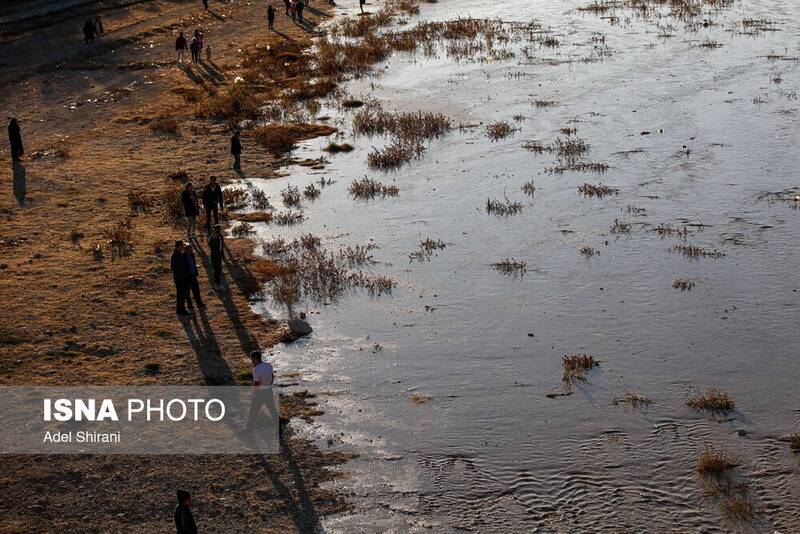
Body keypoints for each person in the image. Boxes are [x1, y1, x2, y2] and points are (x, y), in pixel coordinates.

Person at [246, 350, 278, 433]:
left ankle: (249, 429)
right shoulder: (269, 365)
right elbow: (272, 377)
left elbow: (257, 383)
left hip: (260, 393)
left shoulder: (255, 369)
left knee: (253, 411)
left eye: (251, 359)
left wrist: (253, 392)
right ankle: (278, 427)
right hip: (269, 391)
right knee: (272, 410)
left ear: (254, 358)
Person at [171, 241, 191, 316]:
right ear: (178, 246)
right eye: (182, 246)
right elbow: (175, 269)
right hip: (179, 279)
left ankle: (181, 309)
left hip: (182, 278)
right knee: (181, 295)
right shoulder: (175, 256)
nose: (183, 247)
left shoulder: (180, 254)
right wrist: (181, 278)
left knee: (182, 295)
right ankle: (181, 310)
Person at [183, 244, 204, 309]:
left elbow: (193, 265)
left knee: (196, 291)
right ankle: (190, 305)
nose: (191, 251)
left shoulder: (191, 255)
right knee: (187, 292)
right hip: (187, 277)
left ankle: (199, 303)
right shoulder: (183, 258)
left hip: (193, 275)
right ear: (186, 251)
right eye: (190, 250)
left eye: (191, 250)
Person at [208, 224, 225, 290]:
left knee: (219, 268)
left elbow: (221, 246)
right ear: (214, 229)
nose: (217, 230)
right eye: (216, 229)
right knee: (216, 269)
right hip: (214, 255)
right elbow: (210, 244)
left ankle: (218, 281)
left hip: (219, 255)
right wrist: (213, 239)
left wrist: (222, 255)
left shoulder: (221, 236)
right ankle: (216, 283)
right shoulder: (213, 236)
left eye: (218, 228)